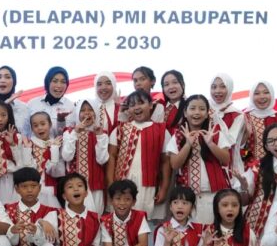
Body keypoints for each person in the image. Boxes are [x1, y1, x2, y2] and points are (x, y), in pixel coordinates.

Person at [167, 94, 232, 223]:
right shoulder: (178, 135)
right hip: (187, 197)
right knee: (190, 232)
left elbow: (226, 159)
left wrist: (211, 144)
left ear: (207, 114)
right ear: (185, 113)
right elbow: (174, 165)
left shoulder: (216, 133)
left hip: (213, 194)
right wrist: (188, 144)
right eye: (192, 108)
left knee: (211, 230)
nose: (197, 112)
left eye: (202, 109)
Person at [107, 90, 171, 219]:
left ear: (151, 105)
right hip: (121, 183)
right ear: (128, 109)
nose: (136, 107)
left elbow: (166, 162)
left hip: (148, 185)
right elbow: (111, 157)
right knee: (121, 220)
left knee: (144, 221)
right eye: (132, 105)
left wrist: (164, 188)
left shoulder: (162, 131)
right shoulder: (119, 130)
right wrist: (110, 184)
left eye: (141, 103)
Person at [62, 99, 109, 214]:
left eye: (90, 110)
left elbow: (102, 160)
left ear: (96, 112)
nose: (87, 113)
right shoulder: (69, 132)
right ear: (77, 113)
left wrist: (99, 136)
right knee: (74, 218)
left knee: (95, 218)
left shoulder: (101, 134)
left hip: (95, 185)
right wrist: (75, 133)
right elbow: (67, 157)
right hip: (74, 187)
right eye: (82, 110)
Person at [21, 111, 65, 208]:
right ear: (32, 128)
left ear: (50, 124)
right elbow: (27, 168)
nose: (40, 128)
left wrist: (54, 149)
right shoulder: (29, 144)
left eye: (43, 124)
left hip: (50, 190)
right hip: (32, 190)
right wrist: (27, 150)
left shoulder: (56, 143)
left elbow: (57, 172)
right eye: (35, 126)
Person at [209, 73, 245, 174]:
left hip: (226, 164)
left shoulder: (237, 115)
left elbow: (230, 140)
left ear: (229, 88)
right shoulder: (204, 108)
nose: (217, 91)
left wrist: (216, 116)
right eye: (214, 87)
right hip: (204, 159)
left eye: (223, 86)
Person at [242, 81, 277, 166]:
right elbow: (237, 148)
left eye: (266, 92)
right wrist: (246, 136)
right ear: (251, 96)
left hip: (276, 167)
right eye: (257, 93)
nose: (262, 96)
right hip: (249, 168)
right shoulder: (244, 117)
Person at [27, 66, 75, 137]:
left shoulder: (70, 107)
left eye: (63, 82)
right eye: (55, 81)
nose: (59, 85)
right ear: (47, 82)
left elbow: (70, 135)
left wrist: (61, 120)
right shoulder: (32, 104)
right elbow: (26, 132)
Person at [90, 71, 120, 135]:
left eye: (108, 83)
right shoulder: (89, 108)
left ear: (114, 85)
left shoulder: (120, 109)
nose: (103, 87)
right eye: (99, 84)